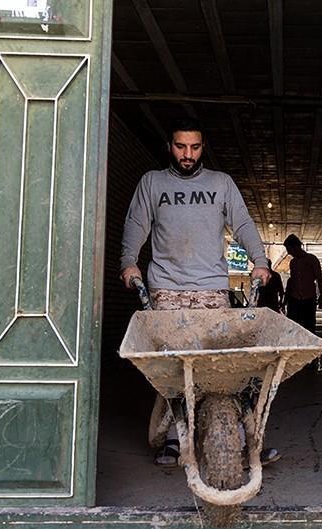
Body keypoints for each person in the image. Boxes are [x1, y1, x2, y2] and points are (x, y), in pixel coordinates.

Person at [120, 116, 280, 468]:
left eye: (194, 147)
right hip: (166, 289)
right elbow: (136, 223)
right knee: (174, 369)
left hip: (211, 289)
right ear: (170, 147)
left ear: (202, 147)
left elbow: (241, 222)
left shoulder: (221, 184)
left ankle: (240, 440)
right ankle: (175, 439)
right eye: (180, 147)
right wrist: (128, 262)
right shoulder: (153, 183)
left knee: (223, 368)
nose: (187, 154)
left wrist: (260, 260)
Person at [283, 234, 322, 370]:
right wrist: (286, 299)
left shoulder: (312, 259)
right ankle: (295, 354)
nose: (288, 252)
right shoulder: (293, 263)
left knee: (310, 328)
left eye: (289, 249)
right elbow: (292, 280)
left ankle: (311, 357)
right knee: (294, 327)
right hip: (294, 299)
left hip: (309, 298)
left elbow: (319, 279)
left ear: (296, 246)